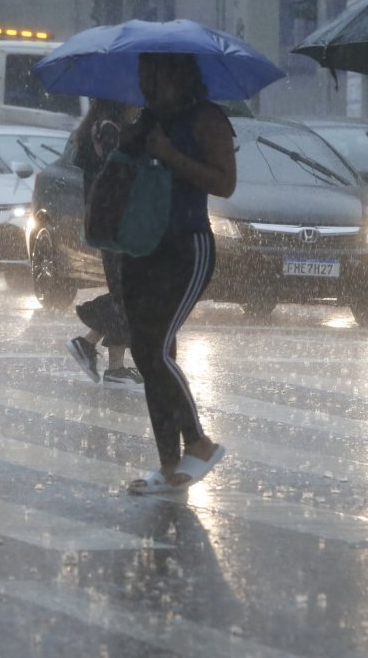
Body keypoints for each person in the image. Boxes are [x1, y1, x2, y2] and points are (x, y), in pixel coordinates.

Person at [118, 53, 237, 495]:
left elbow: (224, 183)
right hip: (141, 246)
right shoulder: (149, 119)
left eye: (156, 75)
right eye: (143, 74)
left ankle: (200, 442)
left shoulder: (207, 120)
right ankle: (169, 465)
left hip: (187, 246)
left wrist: (169, 154)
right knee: (150, 354)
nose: (147, 83)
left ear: (179, 76)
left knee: (153, 349)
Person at [65, 99, 144, 387]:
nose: (139, 108)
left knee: (125, 291)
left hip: (106, 222)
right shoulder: (109, 132)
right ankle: (111, 365)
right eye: (135, 103)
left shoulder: (95, 130)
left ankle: (94, 350)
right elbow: (118, 175)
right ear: (120, 103)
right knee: (127, 292)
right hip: (116, 223)